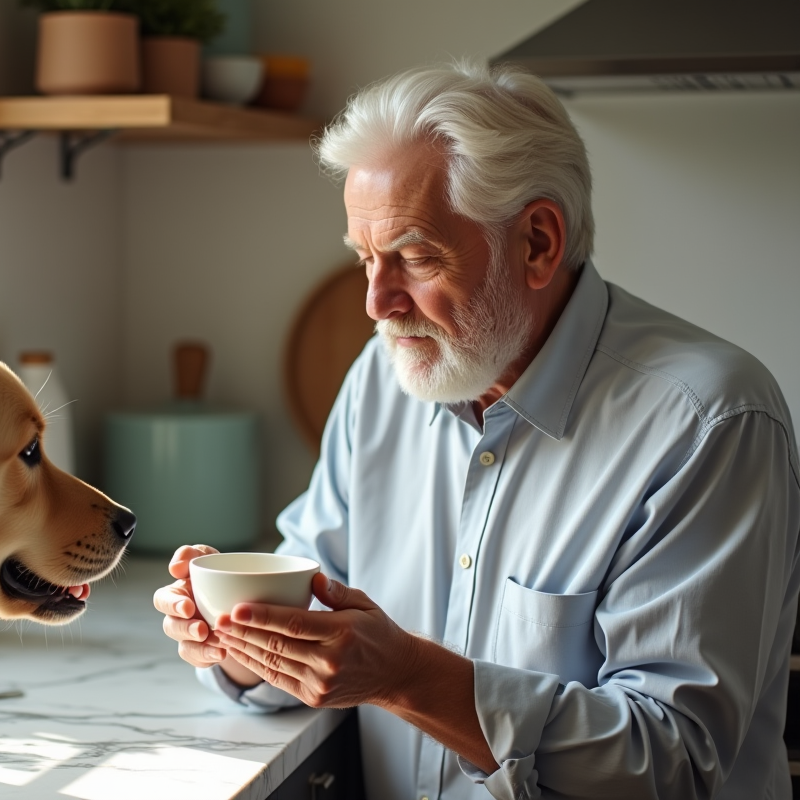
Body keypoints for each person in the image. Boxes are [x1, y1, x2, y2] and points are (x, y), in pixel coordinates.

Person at [153, 61, 800, 800]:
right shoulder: (383, 377)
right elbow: (313, 593)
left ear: (537, 243)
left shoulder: (707, 421)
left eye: (416, 258)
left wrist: (408, 677)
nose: (375, 302)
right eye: (365, 258)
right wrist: (238, 639)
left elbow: (673, 760)